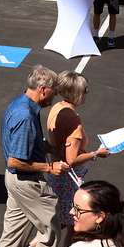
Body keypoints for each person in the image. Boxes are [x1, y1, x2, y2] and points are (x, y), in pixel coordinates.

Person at [0, 65, 69, 247]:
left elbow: (23, 147)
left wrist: (47, 148)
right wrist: (49, 168)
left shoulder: (21, 104)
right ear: (43, 90)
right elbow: (15, 160)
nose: (54, 97)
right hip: (27, 182)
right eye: (53, 93)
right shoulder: (26, 116)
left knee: (12, 233)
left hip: (14, 182)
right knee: (51, 232)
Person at [43, 71, 109, 224]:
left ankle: (33, 246)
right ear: (77, 93)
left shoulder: (57, 107)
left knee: (53, 219)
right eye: (85, 90)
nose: (87, 93)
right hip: (67, 178)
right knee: (73, 221)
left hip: (56, 170)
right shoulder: (74, 123)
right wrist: (96, 153)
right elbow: (71, 159)